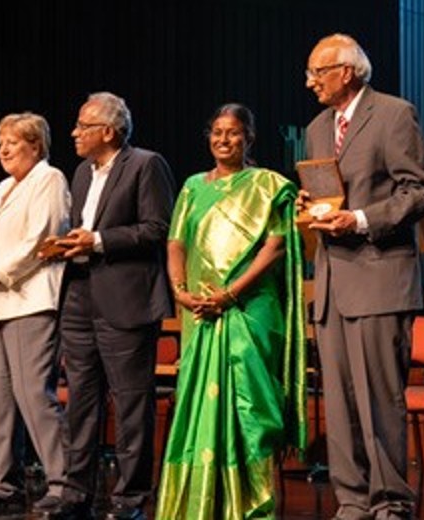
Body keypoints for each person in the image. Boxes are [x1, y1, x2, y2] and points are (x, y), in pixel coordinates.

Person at [300, 33, 424, 520]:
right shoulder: (318, 127)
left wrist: (359, 219)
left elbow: (420, 191)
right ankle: (353, 499)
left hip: (379, 277)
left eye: (318, 71)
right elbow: (327, 190)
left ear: (348, 72)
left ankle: (390, 501)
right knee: (339, 405)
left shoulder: (394, 114)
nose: (309, 81)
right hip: (333, 283)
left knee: (380, 400)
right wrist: (312, 208)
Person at [155, 104, 308, 519]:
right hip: (200, 313)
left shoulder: (269, 186)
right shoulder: (191, 187)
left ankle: (254, 504)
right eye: (217, 132)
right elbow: (176, 244)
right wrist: (181, 291)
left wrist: (231, 293)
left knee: (252, 409)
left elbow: (275, 248)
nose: (224, 139)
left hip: (251, 311)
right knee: (199, 405)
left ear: (249, 138)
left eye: (233, 132)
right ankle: (203, 503)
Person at [39, 92, 176, 520]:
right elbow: (84, 228)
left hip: (126, 301)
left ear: (109, 131)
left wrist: (98, 241)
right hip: (80, 297)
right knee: (81, 400)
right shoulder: (82, 172)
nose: (74, 133)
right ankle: (75, 492)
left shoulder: (145, 165)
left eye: (83, 125)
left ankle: (130, 497)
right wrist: (67, 246)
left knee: (131, 402)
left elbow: (157, 228)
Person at [0, 112, 72, 513]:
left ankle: (63, 482)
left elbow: (41, 241)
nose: (4, 149)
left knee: (33, 395)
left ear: (36, 146)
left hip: (30, 301)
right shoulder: (3, 188)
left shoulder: (50, 179)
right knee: (2, 401)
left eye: (13, 141)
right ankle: (3, 484)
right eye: (1, 142)